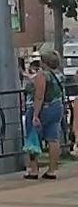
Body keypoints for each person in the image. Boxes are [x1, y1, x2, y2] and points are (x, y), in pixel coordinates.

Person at [26, 43, 65, 179]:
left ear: (45, 62)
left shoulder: (43, 75)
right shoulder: (59, 74)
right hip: (57, 106)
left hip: (44, 108)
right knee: (53, 138)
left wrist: (35, 115)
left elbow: (39, 95)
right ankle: (52, 169)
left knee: (33, 136)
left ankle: (34, 169)